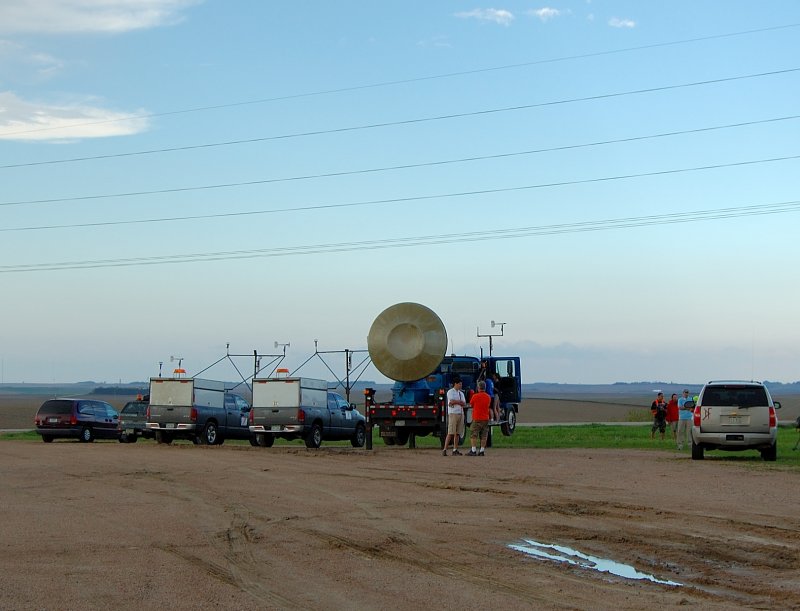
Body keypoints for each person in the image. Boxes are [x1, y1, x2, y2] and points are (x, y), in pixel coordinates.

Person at [442, 377, 466, 456]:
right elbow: (451, 401)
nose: (461, 385)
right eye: (459, 384)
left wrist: (456, 402)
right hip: (453, 413)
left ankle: (455, 449)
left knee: (458, 433)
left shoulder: (461, 393)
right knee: (450, 432)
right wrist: (458, 402)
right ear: (455, 384)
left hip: (460, 413)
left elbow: (464, 403)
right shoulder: (450, 392)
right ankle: (445, 449)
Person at [468, 380, 492, 456]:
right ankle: (482, 450)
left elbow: (471, 404)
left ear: (478, 388)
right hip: (485, 418)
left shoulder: (475, 396)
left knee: (473, 434)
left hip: (477, 418)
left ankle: (473, 450)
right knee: (484, 435)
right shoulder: (488, 397)